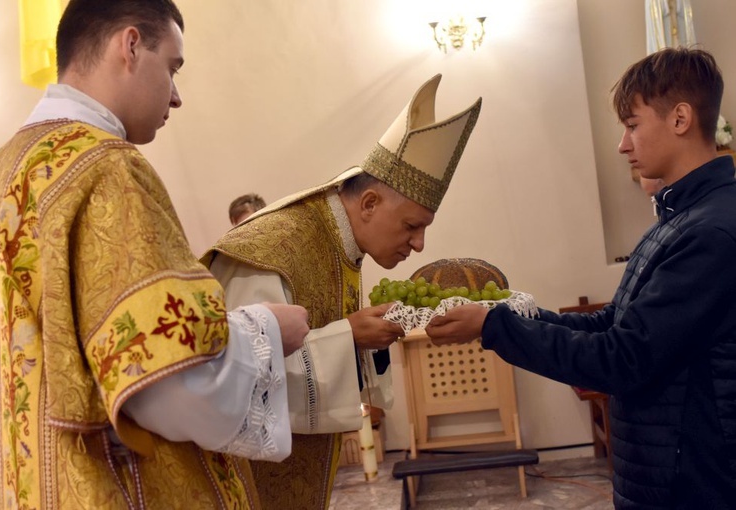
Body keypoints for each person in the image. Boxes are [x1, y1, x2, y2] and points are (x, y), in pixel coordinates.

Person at [0, 1, 310, 508]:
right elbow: (168, 385)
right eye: (173, 67)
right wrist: (264, 331)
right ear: (130, 45)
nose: (176, 97)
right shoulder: (106, 170)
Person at [425, 47, 736, 509]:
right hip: (661, 471)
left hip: (690, 482)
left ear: (681, 119)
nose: (623, 145)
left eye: (632, 125)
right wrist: (503, 315)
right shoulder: (679, 220)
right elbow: (614, 323)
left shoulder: (711, 230)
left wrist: (492, 329)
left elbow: (623, 358)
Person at [201, 74, 483, 509]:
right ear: (369, 203)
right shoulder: (269, 249)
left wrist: (367, 335)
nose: (420, 244)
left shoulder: (341, 241)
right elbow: (231, 376)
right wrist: (348, 336)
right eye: (412, 226)